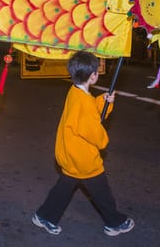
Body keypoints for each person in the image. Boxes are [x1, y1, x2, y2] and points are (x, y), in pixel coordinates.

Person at [32, 51, 134, 237]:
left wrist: (104, 101)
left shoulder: (75, 91)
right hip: (83, 158)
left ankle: (44, 216)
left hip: (71, 153)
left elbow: (88, 113)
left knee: (64, 187)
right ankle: (114, 222)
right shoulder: (84, 102)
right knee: (101, 191)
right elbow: (93, 129)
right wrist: (103, 140)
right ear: (93, 75)